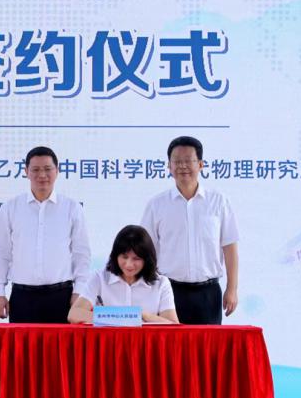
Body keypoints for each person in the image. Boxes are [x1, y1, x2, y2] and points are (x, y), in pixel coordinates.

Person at [140, 136, 239, 325]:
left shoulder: (218, 201)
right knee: (169, 344)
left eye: (188, 160)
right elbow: (145, 250)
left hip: (208, 293)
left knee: (208, 344)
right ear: (169, 166)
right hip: (169, 292)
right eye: (177, 161)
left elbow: (229, 247)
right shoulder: (156, 205)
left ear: (200, 164)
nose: (182, 166)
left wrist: (232, 289)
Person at [0, 146, 91, 323]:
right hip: (22, 297)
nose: (42, 175)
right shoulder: (11, 208)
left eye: (47, 169)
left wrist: (79, 292)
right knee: (21, 343)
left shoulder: (71, 208)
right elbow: (1, 254)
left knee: (61, 343)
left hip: (61, 296)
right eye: (35, 170)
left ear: (57, 171)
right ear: (26, 172)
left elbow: (81, 255)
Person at [69, 225, 179, 325]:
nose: (129, 264)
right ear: (115, 256)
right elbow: (74, 314)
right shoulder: (99, 278)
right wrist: (122, 317)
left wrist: (142, 315)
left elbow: (173, 325)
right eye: (124, 257)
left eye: (136, 258)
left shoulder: (161, 283)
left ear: (147, 259)